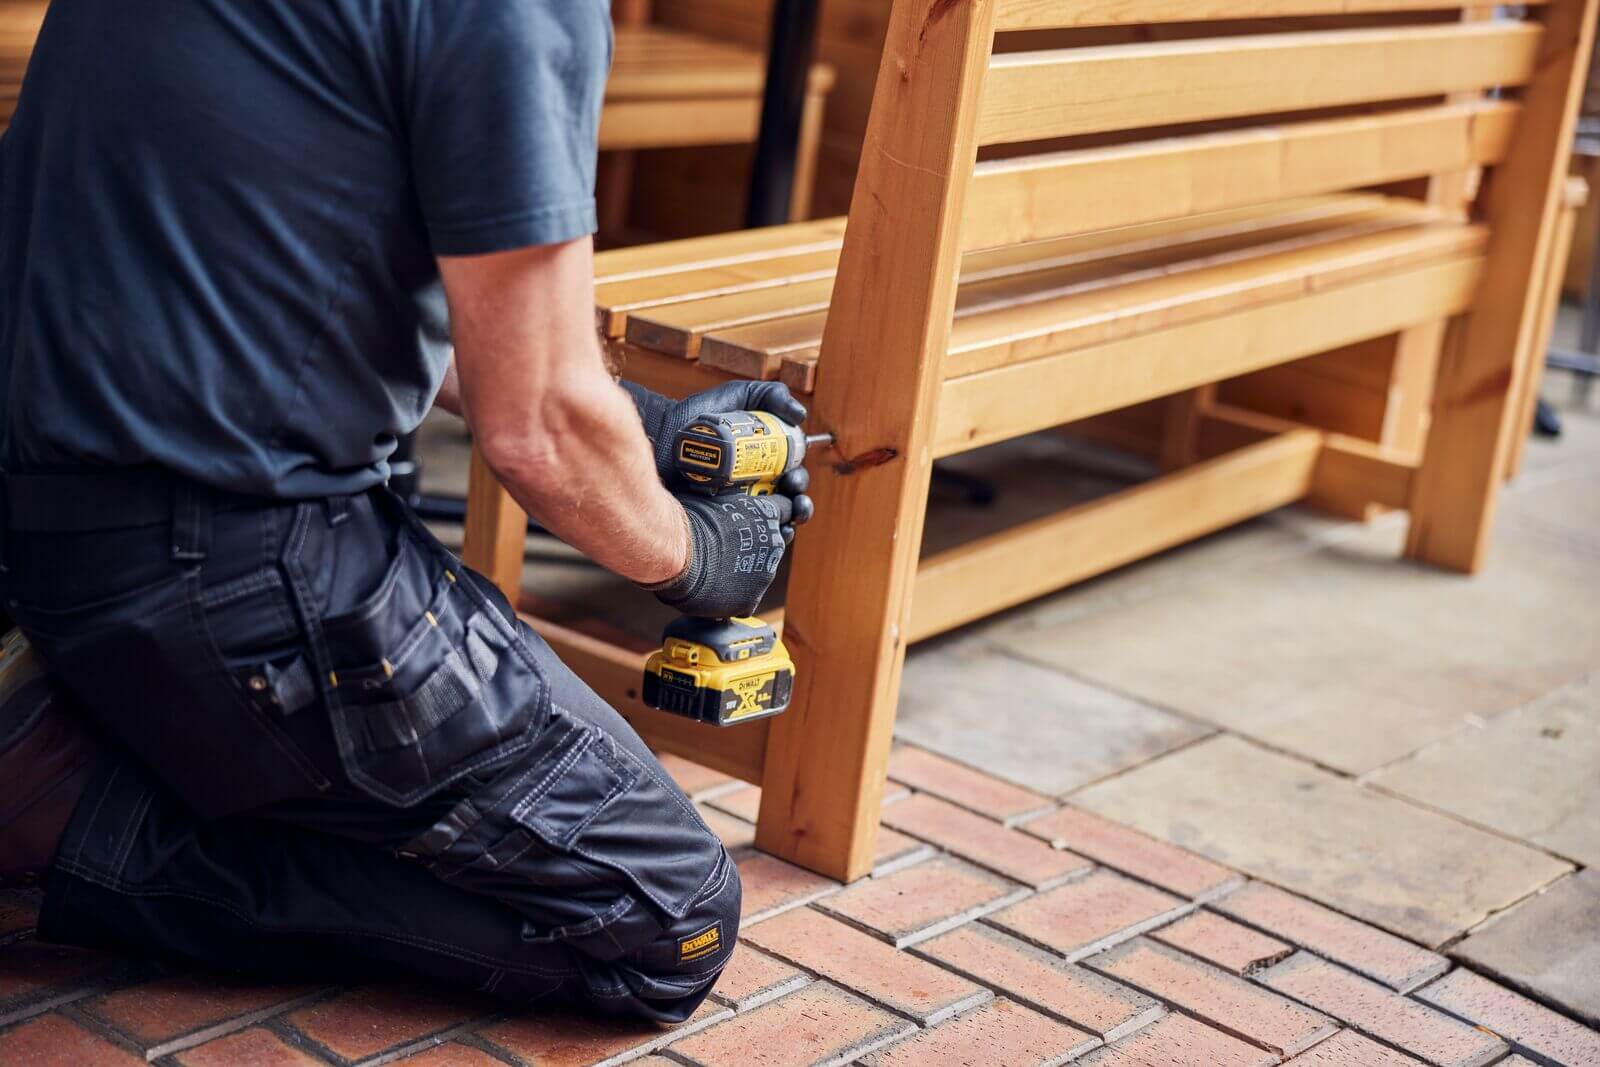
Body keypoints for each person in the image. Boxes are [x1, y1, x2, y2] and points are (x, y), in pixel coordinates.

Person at [0, 0, 814, 1022]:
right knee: (669, 919)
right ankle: (67, 814)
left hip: (47, 527)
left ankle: (107, 740)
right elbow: (539, 429)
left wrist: (644, 430)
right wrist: (696, 553)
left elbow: (314, 267)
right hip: (244, 571)